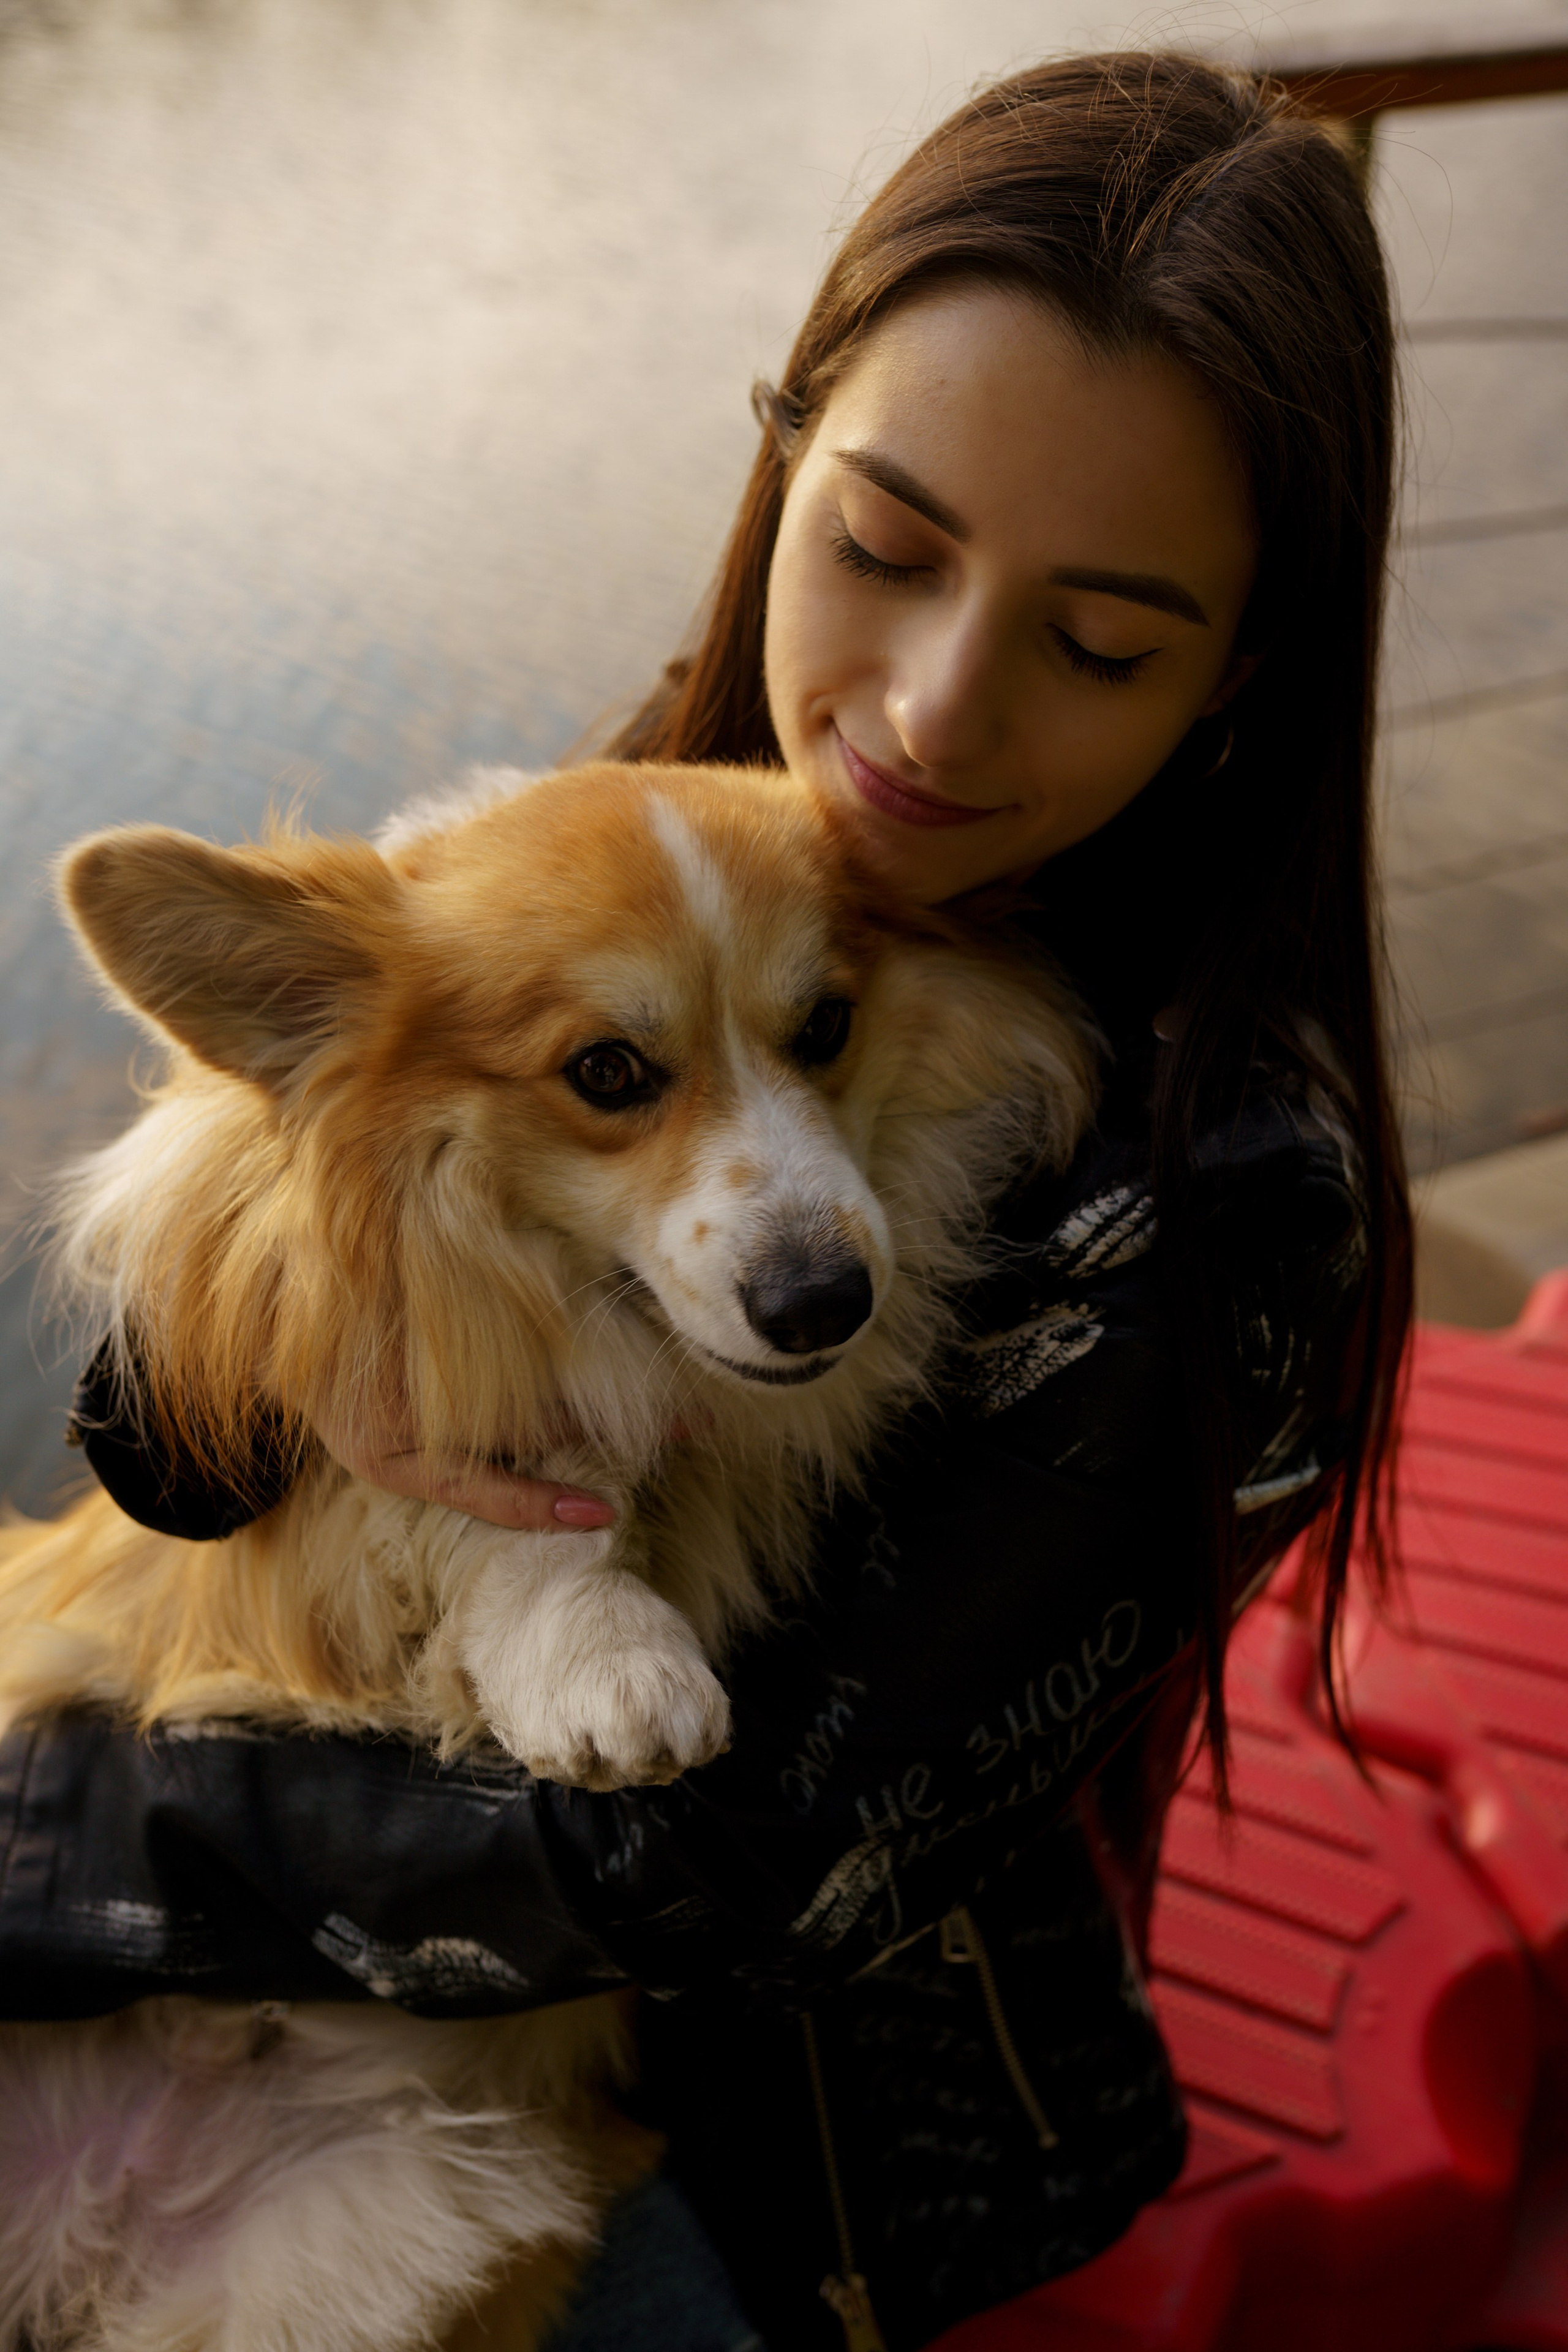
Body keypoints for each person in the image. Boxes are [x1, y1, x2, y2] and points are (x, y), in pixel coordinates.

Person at [0, 50, 1411, 2352]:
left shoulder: (1242, 1205)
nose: (935, 718)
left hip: (759, 2146)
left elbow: (711, 1865)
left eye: (1098, 639)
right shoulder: (657, 841)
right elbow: (165, 1451)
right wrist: (313, 1308)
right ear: (787, 457)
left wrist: (48, 1865)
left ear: (1239, 675)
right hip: (238, 1946)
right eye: (887, 547)